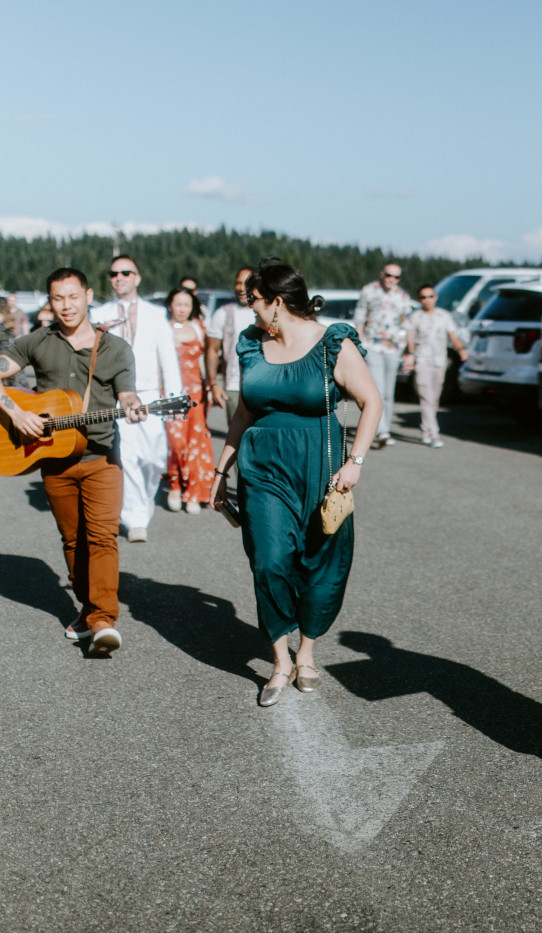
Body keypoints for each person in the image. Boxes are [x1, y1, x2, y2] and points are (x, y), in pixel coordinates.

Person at [212, 258, 382, 707]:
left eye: (254, 303)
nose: (250, 312)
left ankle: (306, 652)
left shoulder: (332, 343)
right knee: (269, 561)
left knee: (320, 563)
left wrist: (356, 462)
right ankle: (280, 660)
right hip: (263, 468)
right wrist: (221, 469)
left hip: (321, 467)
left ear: (276, 303)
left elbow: (372, 401)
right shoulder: (251, 345)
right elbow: (244, 412)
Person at [0, 268, 142, 654]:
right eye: (58, 298)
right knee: (73, 541)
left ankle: (103, 619)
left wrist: (134, 407)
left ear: (87, 296)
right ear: (50, 301)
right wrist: (16, 413)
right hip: (54, 459)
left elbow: (128, 395)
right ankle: (88, 609)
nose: (66, 306)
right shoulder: (36, 341)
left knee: (102, 537)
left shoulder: (115, 348)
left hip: (102, 457)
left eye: (73, 297)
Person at [90, 255, 183, 542]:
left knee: (155, 456)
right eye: (114, 273)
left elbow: (167, 356)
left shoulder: (156, 314)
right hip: (116, 395)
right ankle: (135, 518)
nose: (119, 278)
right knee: (127, 455)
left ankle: (143, 502)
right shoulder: (99, 314)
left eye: (126, 273)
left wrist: (175, 399)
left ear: (137, 277)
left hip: (150, 395)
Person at [163, 287, 215, 513]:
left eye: (187, 304)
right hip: (170, 393)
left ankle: (194, 491)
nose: (182, 309)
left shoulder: (198, 327)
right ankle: (175, 485)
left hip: (195, 393)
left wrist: (209, 387)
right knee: (175, 441)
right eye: (178, 304)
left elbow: (205, 360)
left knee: (196, 440)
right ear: (169, 306)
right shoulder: (161, 329)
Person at [353, 263, 412, 448]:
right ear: (382, 274)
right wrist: (360, 343)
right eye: (388, 275)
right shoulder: (369, 291)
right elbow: (360, 317)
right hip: (372, 345)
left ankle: (383, 428)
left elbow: (407, 324)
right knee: (377, 388)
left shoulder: (402, 296)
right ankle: (382, 431)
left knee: (389, 392)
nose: (391, 280)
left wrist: (410, 351)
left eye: (396, 277)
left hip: (394, 348)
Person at [402, 284, 467, 448]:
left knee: (435, 397)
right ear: (419, 299)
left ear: (435, 297)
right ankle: (434, 433)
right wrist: (409, 355)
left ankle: (425, 428)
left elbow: (453, 335)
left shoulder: (444, 316)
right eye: (423, 297)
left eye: (430, 296)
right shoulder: (415, 317)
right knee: (426, 396)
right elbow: (410, 339)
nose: (427, 300)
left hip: (439, 360)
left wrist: (461, 350)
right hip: (422, 359)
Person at [206, 265, 257, 419]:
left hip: (264, 385)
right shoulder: (223, 313)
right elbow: (212, 350)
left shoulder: (267, 313)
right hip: (234, 386)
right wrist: (213, 384)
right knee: (237, 437)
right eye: (238, 283)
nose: (241, 288)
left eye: (246, 283)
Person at [0, 298, 28, 387]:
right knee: (14, 365)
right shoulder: (10, 315)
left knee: (2, 367)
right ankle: (17, 385)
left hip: (3, 345)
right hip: (12, 343)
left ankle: (4, 386)